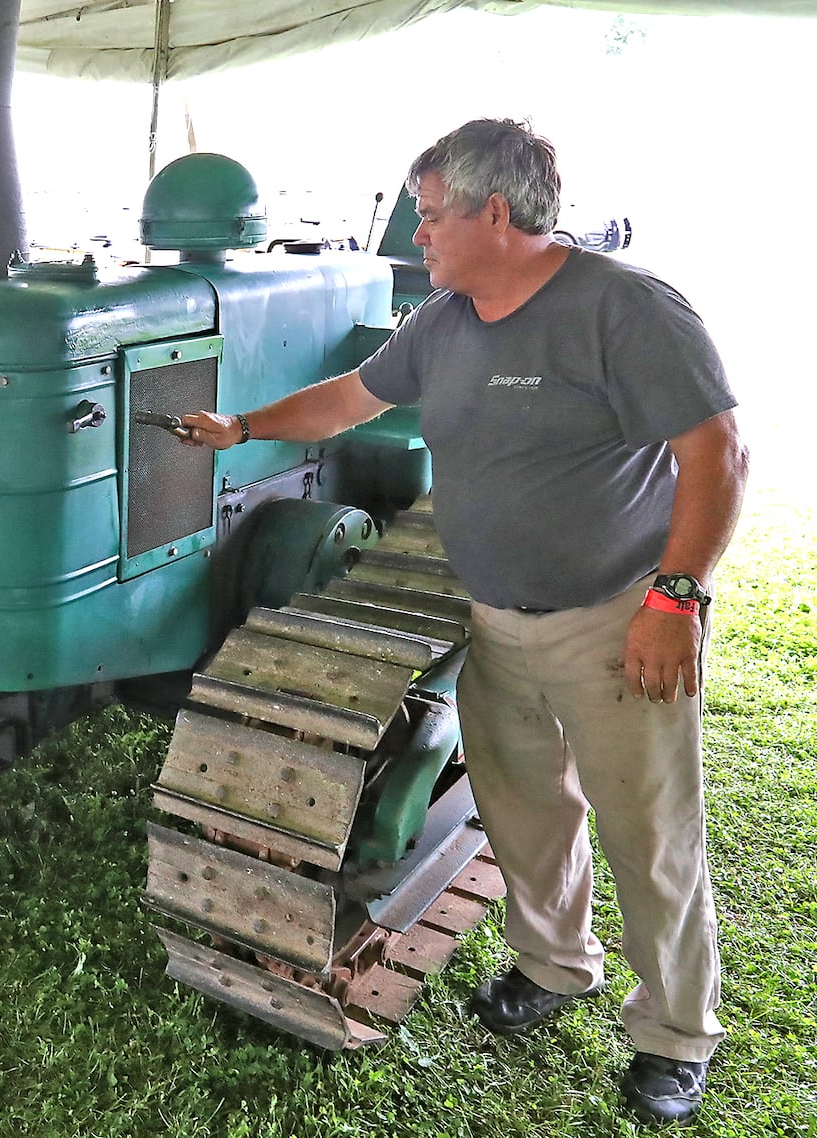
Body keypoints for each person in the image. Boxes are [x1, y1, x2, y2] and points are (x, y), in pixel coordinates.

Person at [179, 119, 748, 1125]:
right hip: (491, 618)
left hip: (612, 617)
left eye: (431, 215)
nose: (419, 235)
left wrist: (674, 598)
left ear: (497, 212)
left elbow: (715, 456)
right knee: (526, 815)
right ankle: (552, 965)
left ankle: (673, 1029)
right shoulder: (444, 320)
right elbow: (352, 399)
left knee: (646, 833)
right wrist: (244, 427)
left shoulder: (623, 308)